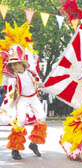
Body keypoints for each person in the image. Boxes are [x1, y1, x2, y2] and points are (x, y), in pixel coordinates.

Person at [0, 22, 47, 160]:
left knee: (42, 117)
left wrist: (40, 84)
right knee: (20, 120)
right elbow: (9, 92)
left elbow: (38, 82)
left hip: (33, 98)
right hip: (22, 100)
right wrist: (8, 103)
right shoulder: (13, 78)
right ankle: (15, 149)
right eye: (12, 64)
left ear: (22, 63)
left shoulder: (31, 72)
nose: (14, 66)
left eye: (16, 63)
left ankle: (34, 144)